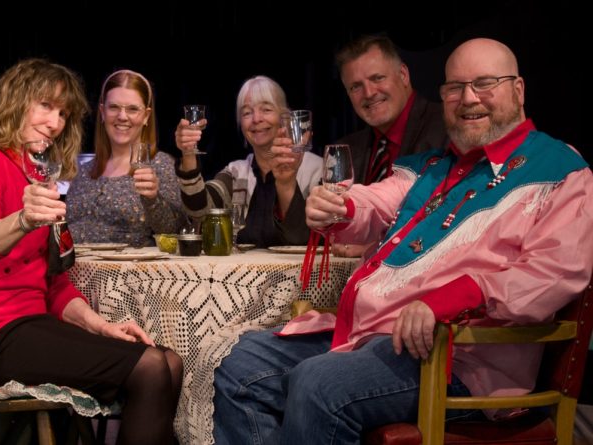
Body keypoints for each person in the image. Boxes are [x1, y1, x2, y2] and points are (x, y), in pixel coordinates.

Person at [212, 38, 593, 444]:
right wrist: (340, 208)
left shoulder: (559, 169)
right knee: (241, 365)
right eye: (454, 88)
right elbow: (375, 201)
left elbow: (555, 272)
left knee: (318, 382)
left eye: (485, 83)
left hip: (458, 357)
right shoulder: (431, 167)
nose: (468, 98)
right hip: (374, 336)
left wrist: (454, 297)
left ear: (517, 90)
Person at [0, 59, 182, 444]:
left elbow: (54, 284)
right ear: (15, 102)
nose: (55, 123)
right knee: (151, 366)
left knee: (169, 360)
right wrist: (23, 219)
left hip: (27, 326)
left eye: (63, 114)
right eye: (45, 106)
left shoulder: (30, 173)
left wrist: (102, 326)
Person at [332, 35, 448, 257]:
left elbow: (448, 217)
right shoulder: (345, 149)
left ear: (403, 75)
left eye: (377, 78)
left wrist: (373, 246)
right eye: (356, 86)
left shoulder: (447, 128)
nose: (369, 93)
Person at [175, 75, 321, 247]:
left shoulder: (315, 170)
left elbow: (317, 237)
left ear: (285, 117)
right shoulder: (236, 173)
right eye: (246, 113)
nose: (256, 119)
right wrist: (188, 153)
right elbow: (200, 210)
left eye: (266, 109)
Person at [66, 69, 184, 247]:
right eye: (114, 107)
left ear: (146, 116)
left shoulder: (160, 165)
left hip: (130, 273)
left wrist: (153, 200)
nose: (122, 116)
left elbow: (175, 231)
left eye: (132, 109)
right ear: (102, 112)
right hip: (73, 272)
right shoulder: (84, 171)